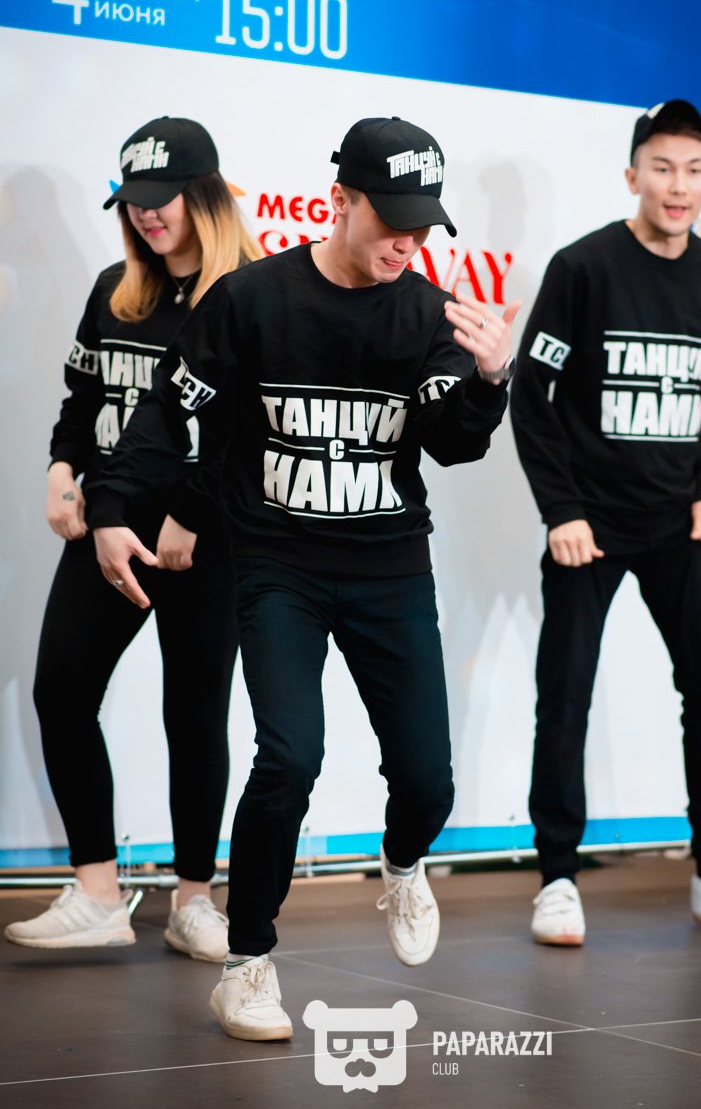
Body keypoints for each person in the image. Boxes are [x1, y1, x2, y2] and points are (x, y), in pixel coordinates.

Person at [88, 115, 520, 1040]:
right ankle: (247, 962)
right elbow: (170, 413)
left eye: (422, 225)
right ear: (340, 203)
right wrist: (111, 507)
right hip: (278, 566)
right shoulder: (251, 300)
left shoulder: (426, 313)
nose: (406, 242)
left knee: (428, 784)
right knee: (289, 756)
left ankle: (402, 864)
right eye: (391, 220)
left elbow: (452, 443)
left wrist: (490, 379)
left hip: (389, 569)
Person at [510, 99, 701, 946]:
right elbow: (530, 397)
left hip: (676, 525)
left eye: (694, 170)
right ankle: (557, 880)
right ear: (633, 176)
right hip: (589, 528)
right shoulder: (582, 267)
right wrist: (562, 510)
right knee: (565, 697)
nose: (678, 186)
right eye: (662, 168)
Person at [5, 117, 261, 961]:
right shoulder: (116, 289)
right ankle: (97, 892)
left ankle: (194, 899)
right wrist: (61, 468)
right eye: (134, 201)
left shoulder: (250, 294)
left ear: (206, 197)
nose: (147, 215)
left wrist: (191, 513)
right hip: (106, 527)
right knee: (60, 691)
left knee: (195, 712)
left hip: (205, 535)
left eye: (164, 199)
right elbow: (83, 401)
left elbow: (250, 433)